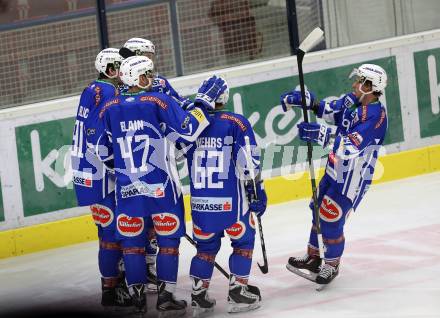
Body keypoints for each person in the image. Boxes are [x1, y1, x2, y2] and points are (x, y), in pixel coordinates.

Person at [95, 55, 227, 315]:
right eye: (149, 74)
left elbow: (101, 150)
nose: (153, 78)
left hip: (128, 191)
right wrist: (202, 102)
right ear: (139, 77)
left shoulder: (108, 107)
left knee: (132, 246)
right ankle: (165, 298)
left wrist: (124, 171)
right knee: (168, 244)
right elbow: (189, 129)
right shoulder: (158, 100)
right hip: (162, 188)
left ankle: (137, 300)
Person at [280, 64, 388, 286]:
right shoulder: (353, 100)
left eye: (359, 81)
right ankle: (313, 256)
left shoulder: (376, 117)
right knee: (317, 210)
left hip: (352, 178)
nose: (354, 85)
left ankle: (331, 265)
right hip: (334, 168)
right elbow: (331, 110)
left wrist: (321, 134)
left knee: (331, 219)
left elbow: (350, 146)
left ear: (370, 86)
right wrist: (311, 103)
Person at [182, 78, 267, 315]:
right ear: (224, 98)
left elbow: (176, 153)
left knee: (205, 249)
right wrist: (258, 191)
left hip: (201, 205)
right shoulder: (235, 123)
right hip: (232, 205)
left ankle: (199, 296)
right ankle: (238, 292)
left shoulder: (191, 125)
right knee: (243, 242)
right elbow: (248, 165)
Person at [70, 48, 131, 307]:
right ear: (109, 70)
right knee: (111, 234)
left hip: (87, 170)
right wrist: (116, 166)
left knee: (107, 231)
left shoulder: (92, 89)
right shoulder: (108, 92)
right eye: (119, 67)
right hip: (100, 173)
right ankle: (110, 290)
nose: (124, 73)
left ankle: (112, 285)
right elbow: (97, 134)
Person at [120, 37, 192, 109]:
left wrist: (191, 106)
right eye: (148, 56)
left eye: (151, 57)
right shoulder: (119, 86)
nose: (151, 61)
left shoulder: (159, 81)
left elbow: (178, 102)